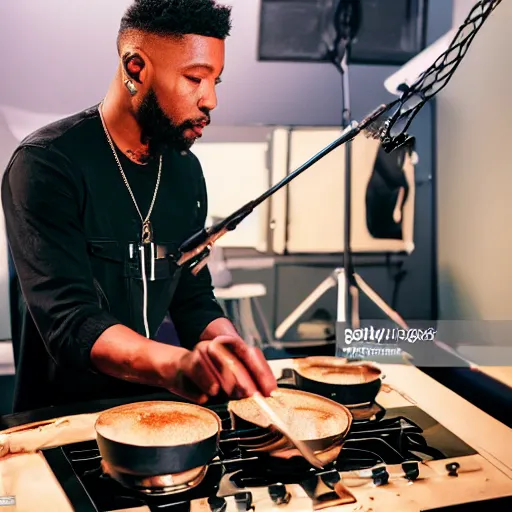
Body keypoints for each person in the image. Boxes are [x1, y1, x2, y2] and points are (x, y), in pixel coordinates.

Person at [1, 0, 277, 413]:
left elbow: (192, 297)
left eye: (216, 80)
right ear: (136, 69)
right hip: (63, 425)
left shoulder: (185, 172)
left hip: (156, 418)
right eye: (195, 79)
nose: (211, 100)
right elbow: (71, 323)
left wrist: (226, 348)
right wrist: (178, 365)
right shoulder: (46, 164)